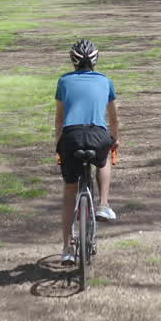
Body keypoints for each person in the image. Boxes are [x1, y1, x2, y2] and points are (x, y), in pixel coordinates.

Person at [54, 39, 119, 264]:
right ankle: (103, 204)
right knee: (104, 159)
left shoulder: (63, 81)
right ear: (95, 60)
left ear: (72, 61)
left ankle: (66, 248)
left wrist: (58, 145)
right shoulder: (106, 81)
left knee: (70, 191)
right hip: (98, 135)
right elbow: (113, 119)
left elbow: (60, 120)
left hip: (71, 137)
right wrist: (115, 140)